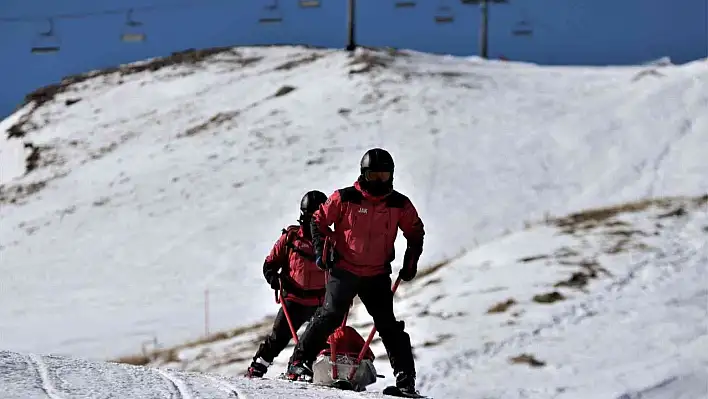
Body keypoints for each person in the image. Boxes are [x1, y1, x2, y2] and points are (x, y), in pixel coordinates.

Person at [286, 148, 425, 395]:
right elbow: (317, 221)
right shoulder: (344, 198)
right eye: (374, 176)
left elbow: (415, 231)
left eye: (384, 176)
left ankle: (406, 381)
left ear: (392, 176)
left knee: (388, 325)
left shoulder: (399, 204)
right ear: (363, 175)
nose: (379, 182)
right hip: (344, 269)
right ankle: (299, 363)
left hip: (377, 274)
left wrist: (410, 262)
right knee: (330, 314)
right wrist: (321, 251)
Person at [245, 190, 329, 378]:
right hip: (294, 298)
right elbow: (270, 264)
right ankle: (258, 367)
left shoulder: (330, 241)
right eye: (310, 216)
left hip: (320, 302)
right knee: (278, 337)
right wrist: (273, 278)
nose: (314, 222)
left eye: (318, 217)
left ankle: (309, 369)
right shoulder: (291, 238)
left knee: (320, 340)